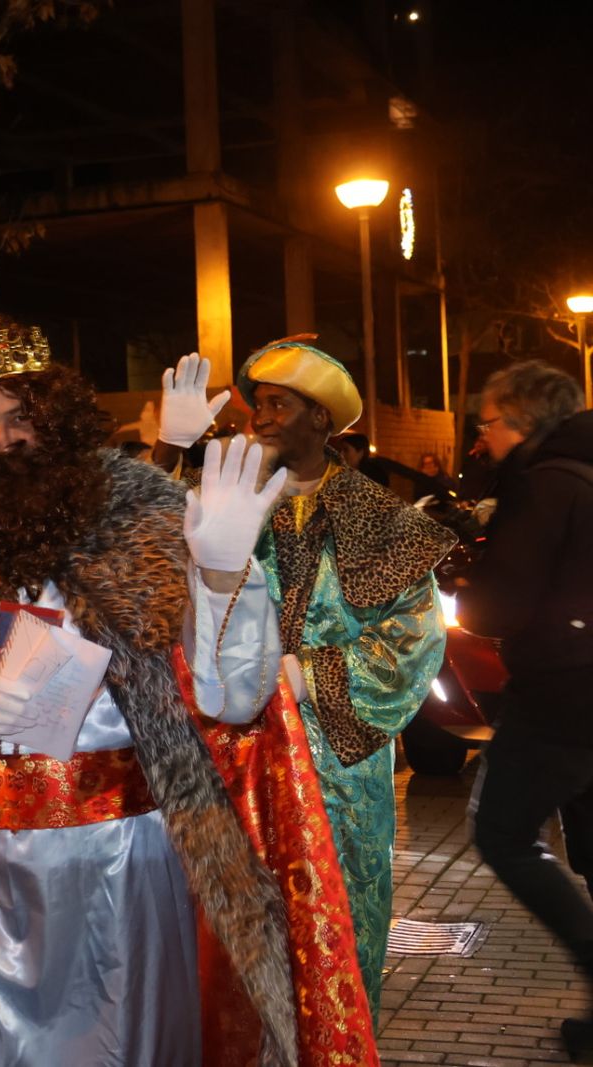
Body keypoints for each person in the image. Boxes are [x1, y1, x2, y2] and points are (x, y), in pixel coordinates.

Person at [0, 351, 377, 1065]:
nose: (2, 441)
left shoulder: (141, 512)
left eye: (20, 417)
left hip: (124, 865)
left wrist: (222, 574)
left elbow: (234, 697)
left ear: (56, 418)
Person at [157, 336, 452, 1010]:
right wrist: (168, 455)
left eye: (277, 405)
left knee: (334, 919)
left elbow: (414, 638)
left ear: (320, 419)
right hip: (231, 758)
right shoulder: (221, 501)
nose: (258, 418)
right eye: (256, 404)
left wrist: (308, 675)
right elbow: (145, 569)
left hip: (334, 771)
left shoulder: (379, 517)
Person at [456, 360, 593, 1059]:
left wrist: (468, 585)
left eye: (488, 423)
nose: (483, 439)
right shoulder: (584, 470)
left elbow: (497, 605)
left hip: (563, 691)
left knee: (504, 832)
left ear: (524, 421)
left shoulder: (543, 483)